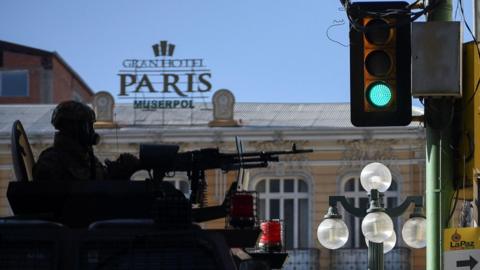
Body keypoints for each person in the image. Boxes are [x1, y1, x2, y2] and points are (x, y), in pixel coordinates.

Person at [33, 100, 140, 181]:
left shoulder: (87, 158)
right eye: (89, 125)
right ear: (74, 127)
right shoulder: (51, 161)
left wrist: (119, 169)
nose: (92, 131)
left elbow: (101, 180)